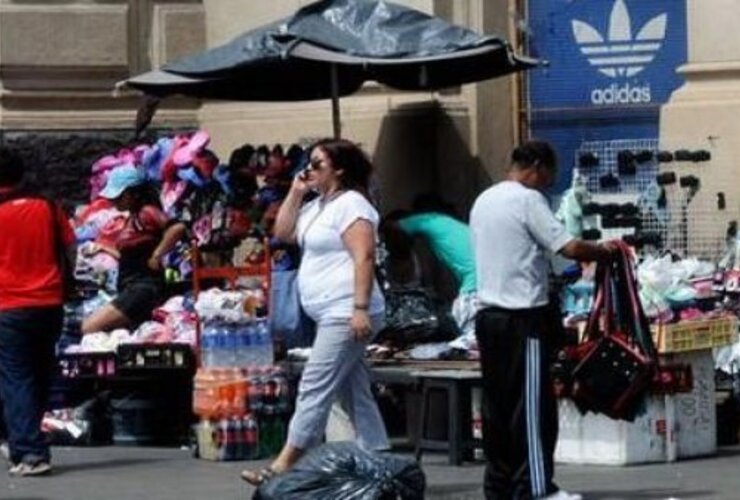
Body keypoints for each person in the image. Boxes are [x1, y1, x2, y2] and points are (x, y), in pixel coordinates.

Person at [469, 140, 615, 500]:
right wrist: (605, 250)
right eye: (549, 174)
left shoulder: (484, 199)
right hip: (522, 320)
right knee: (532, 409)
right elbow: (569, 247)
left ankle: (499, 486)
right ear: (535, 166)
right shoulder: (527, 199)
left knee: (498, 409)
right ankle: (535, 488)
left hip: (488, 318)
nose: (549, 182)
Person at [241, 138, 389, 485]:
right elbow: (283, 232)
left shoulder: (352, 205)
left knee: (315, 384)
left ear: (339, 169)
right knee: (353, 389)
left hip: (346, 309)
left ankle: (283, 464)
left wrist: (360, 308)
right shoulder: (317, 205)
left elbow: (364, 256)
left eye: (318, 164)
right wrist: (295, 192)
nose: (309, 170)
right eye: (308, 163)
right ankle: (378, 457)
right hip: (326, 311)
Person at [0, 147, 76, 476]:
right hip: (49, 303)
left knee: (17, 378)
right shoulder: (47, 206)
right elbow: (71, 248)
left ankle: (30, 452)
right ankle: (22, 439)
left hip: (9, 305)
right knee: (40, 374)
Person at [81, 165, 169, 334]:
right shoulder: (133, 218)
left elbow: (176, 228)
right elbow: (128, 256)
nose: (114, 201)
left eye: (119, 196)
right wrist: (104, 248)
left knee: (89, 327)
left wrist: (157, 255)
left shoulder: (147, 212)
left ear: (134, 194)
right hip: (131, 287)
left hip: (143, 288)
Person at [380, 197, 477, 345]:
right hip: (484, 285)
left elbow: (391, 226)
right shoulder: (453, 229)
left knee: (470, 342)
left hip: (474, 288)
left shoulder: (427, 221)